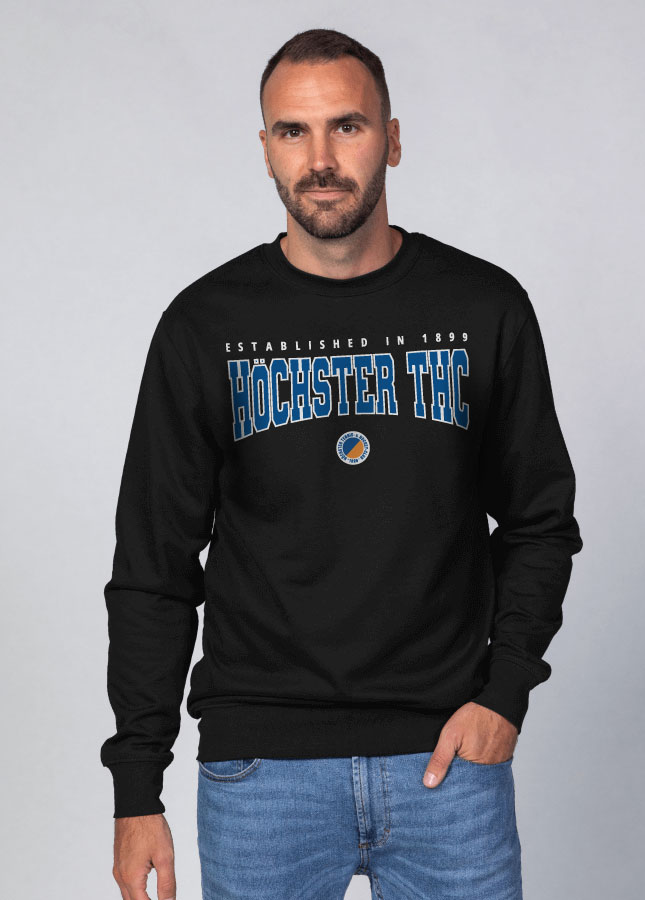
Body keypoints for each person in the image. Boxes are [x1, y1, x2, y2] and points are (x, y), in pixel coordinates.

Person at [102, 27, 583, 900]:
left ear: (391, 139)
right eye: (293, 131)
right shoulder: (204, 325)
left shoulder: (483, 307)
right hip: (261, 771)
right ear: (265, 148)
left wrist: (504, 693)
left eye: (347, 127)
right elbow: (153, 567)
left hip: (448, 761)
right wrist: (137, 787)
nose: (319, 159)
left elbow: (539, 522)